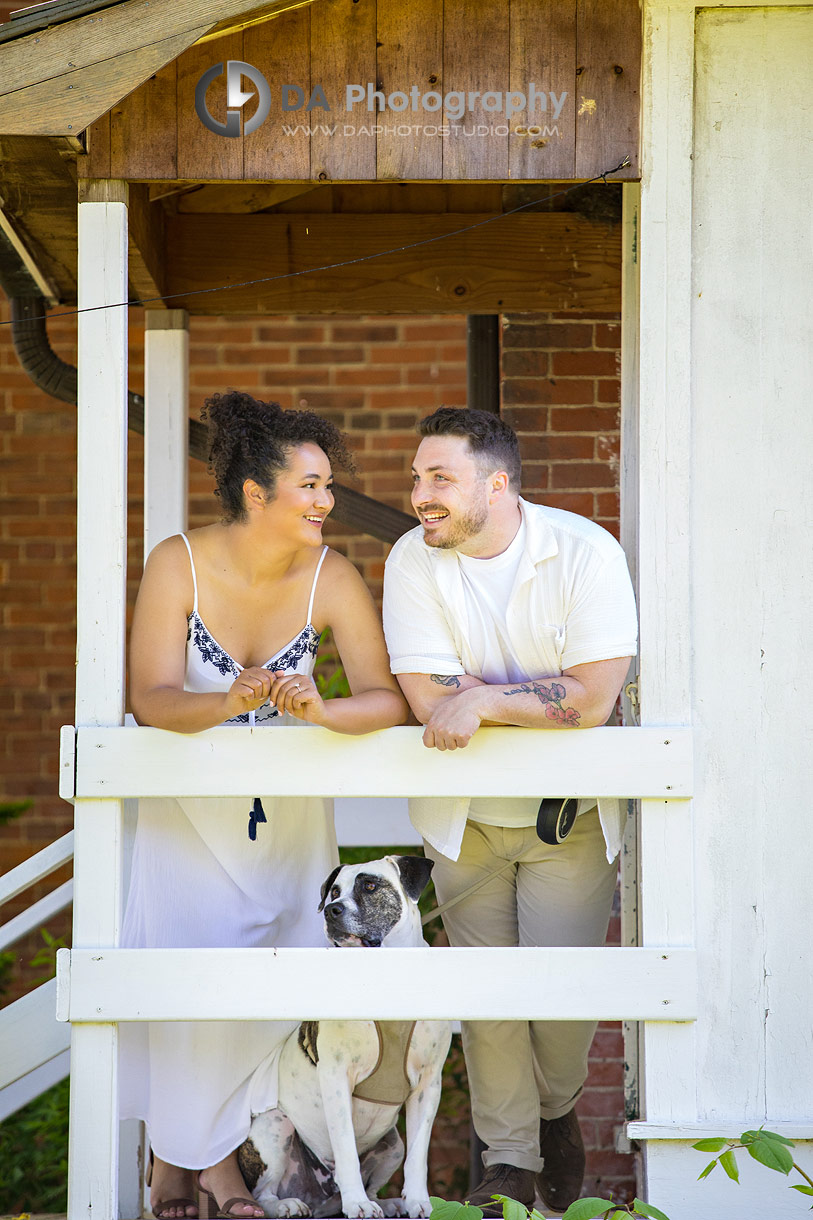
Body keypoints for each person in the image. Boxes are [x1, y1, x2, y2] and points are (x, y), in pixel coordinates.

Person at [122, 391, 408, 1220]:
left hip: (285, 828)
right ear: (256, 493)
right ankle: (206, 1171)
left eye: (326, 487)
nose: (326, 502)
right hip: (188, 827)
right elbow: (149, 699)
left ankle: (188, 1166)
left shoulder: (333, 576)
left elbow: (383, 700)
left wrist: (318, 711)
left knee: (272, 991)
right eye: (310, 486)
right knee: (189, 981)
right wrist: (224, 702)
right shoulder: (176, 561)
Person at [382, 407, 638, 1215]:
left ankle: (556, 1113)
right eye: (417, 477)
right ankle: (509, 1161)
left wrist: (485, 697)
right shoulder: (411, 560)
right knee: (487, 1000)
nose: (419, 494)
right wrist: (530, 696)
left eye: (438, 478)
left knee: (559, 997)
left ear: (496, 483)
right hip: (464, 817)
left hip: (567, 821)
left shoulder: (585, 552)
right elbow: (429, 699)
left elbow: (593, 698)